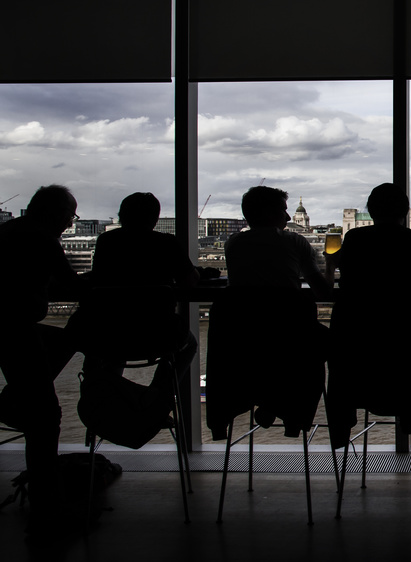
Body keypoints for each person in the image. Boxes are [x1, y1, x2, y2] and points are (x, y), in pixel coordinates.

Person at [207, 186, 331, 440]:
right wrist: (332, 264)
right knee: (329, 347)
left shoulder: (234, 243)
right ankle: (292, 416)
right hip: (287, 335)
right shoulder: (294, 241)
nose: (287, 218)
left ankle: (243, 411)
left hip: (242, 340)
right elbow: (321, 291)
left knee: (264, 356)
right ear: (270, 212)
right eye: (284, 211)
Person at [328, 183, 411, 433]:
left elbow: (346, 282)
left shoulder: (353, 239)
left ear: (371, 212)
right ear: (405, 212)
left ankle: (348, 408)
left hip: (357, 332)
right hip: (408, 329)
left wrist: (331, 266)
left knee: (341, 342)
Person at [0, 185, 81, 534]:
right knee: (46, 419)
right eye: (69, 218)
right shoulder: (43, 240)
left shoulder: (7, 233)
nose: (68, 224)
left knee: (61, 338)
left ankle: (15, 399)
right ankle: (48, 508)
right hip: (14, 328)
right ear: (56, 215)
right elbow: (73, 287)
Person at [71, 192, 199, 392]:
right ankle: (158, 396)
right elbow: (190, 282)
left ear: (122, 215)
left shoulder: (107, 241)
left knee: (106, 354)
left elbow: (100, 279)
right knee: (189, 344)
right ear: (155, 219)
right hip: (157, 332)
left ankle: (102, 395)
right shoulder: (166, 243)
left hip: (109, 330)